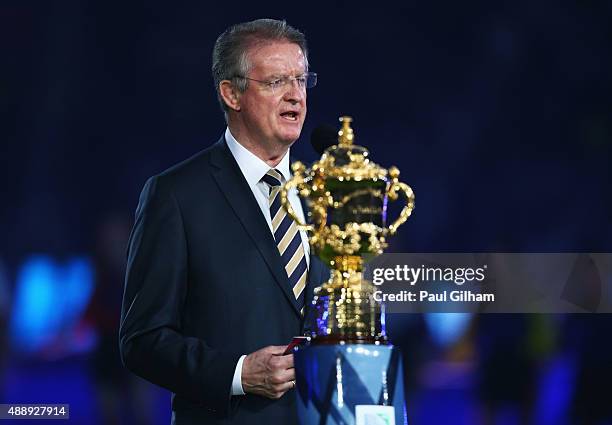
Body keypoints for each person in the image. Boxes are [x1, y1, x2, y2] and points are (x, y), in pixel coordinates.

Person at [119, 19, 328, 425]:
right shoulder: (176, 196)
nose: (295, 96)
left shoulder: (323, 197)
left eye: (301, 80)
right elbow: (141, 340)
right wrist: (237, 374)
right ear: (231, 94)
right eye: (275, 82)